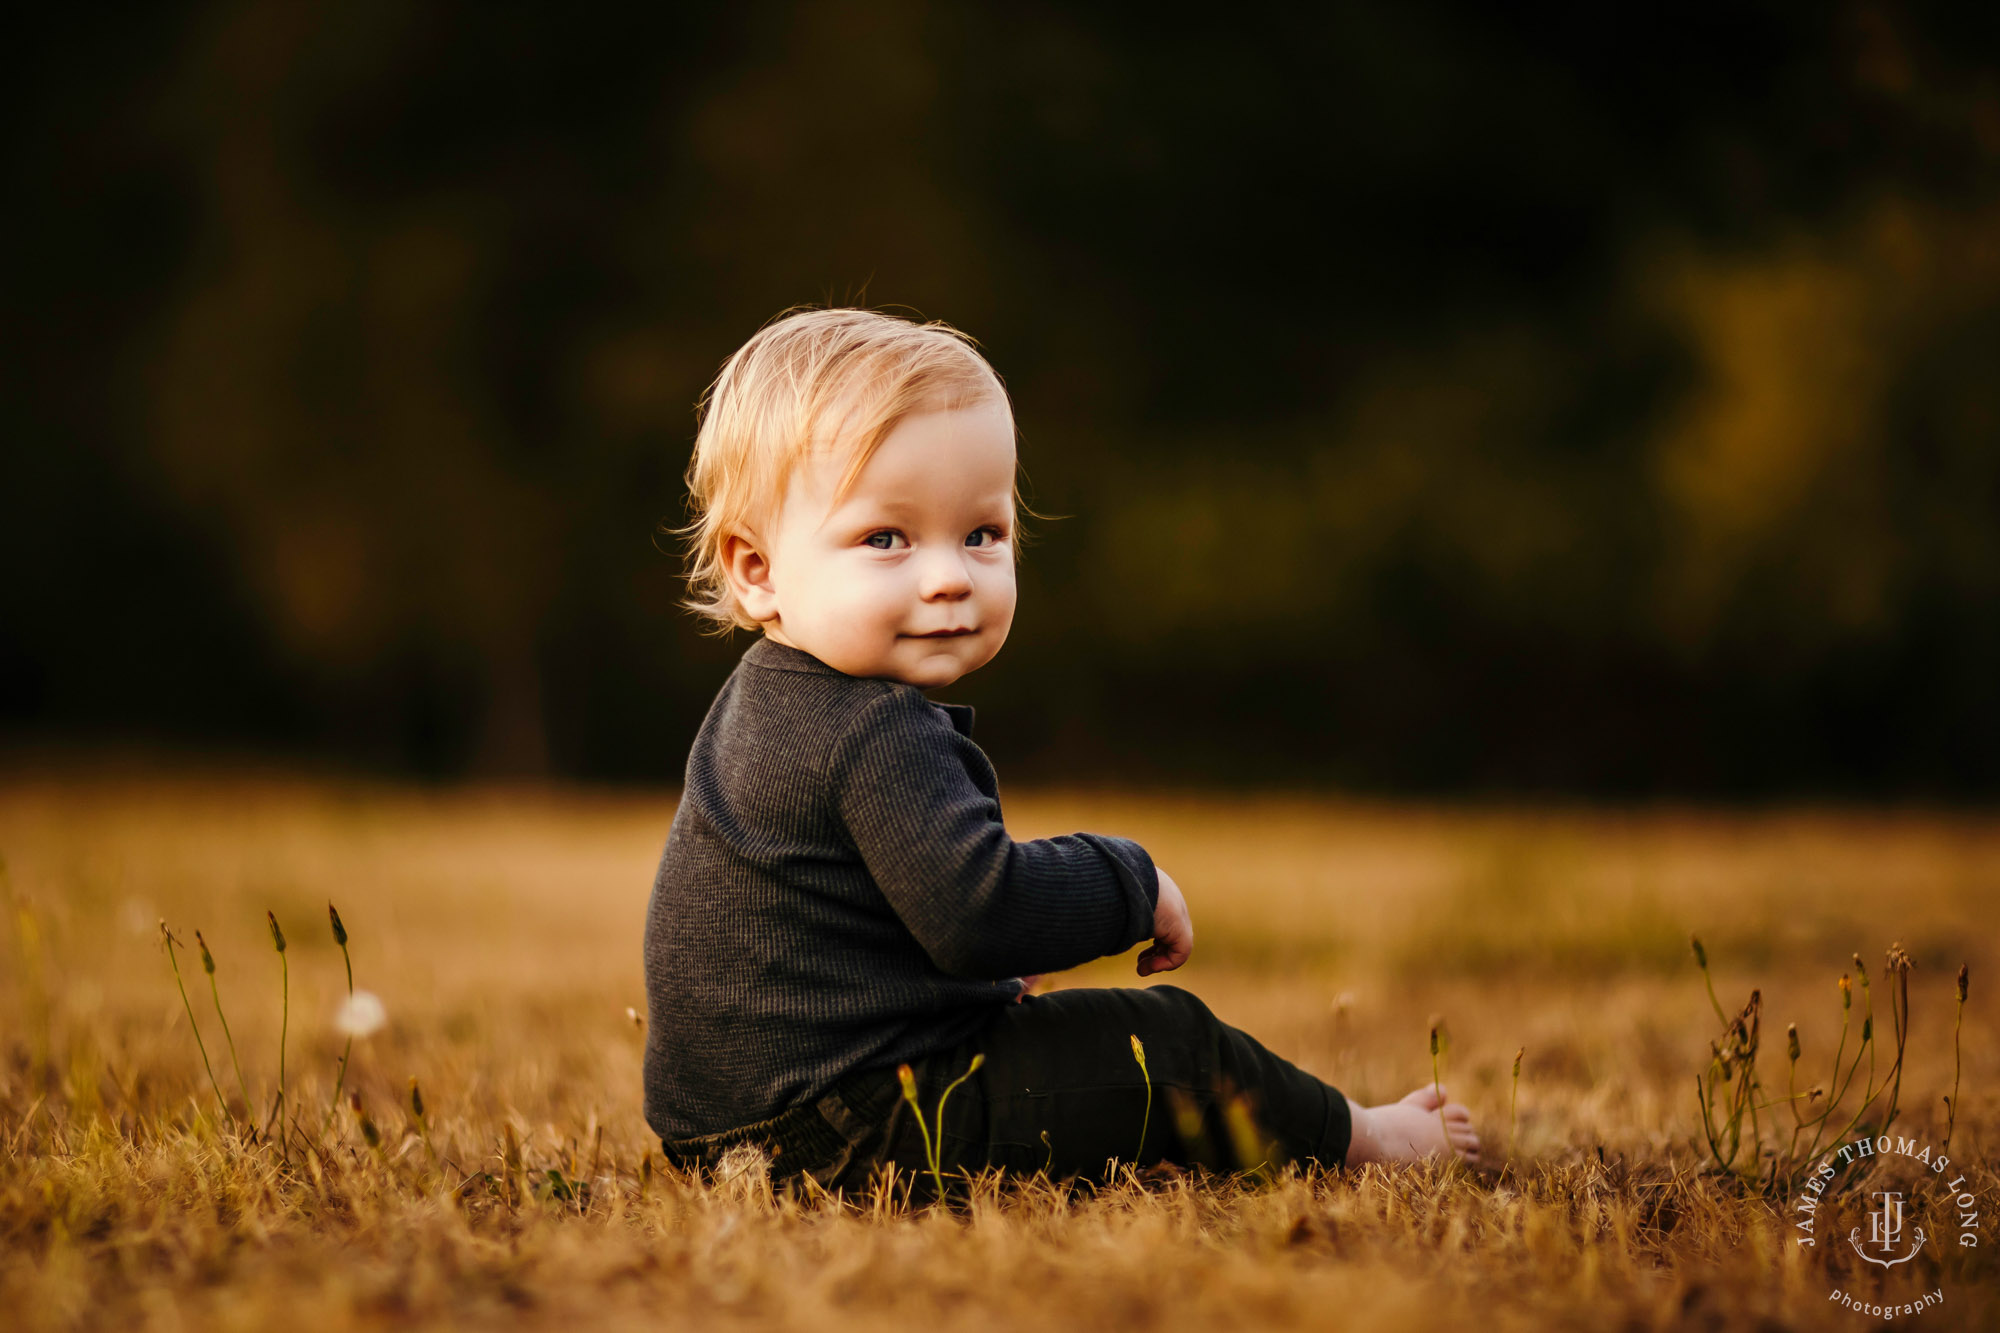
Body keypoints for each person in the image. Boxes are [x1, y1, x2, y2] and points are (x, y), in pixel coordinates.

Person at [641, 306, 1480, 1200]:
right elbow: (977, 912)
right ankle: (1371, 1140)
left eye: (982, 533)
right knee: (1170, 1048)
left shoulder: (764, 702)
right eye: (885, 538)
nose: (949, 574)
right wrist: (1130, 880)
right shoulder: (872, 729)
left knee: (1068, 1053)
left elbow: (832, 936)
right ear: (755, 568)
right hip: (858, 1125)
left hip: (726, 1125)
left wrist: (988, 978)